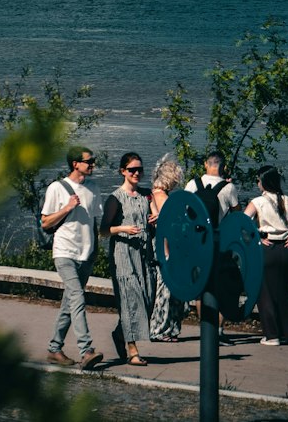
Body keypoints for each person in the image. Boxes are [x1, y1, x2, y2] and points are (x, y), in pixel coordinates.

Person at [41, 148, 103, 370]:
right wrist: (67, 207)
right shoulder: (57, 188)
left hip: (86, 254)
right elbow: (46, 223)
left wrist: (94, 251)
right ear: (75, 164)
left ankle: (54, 349)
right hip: (64, 252)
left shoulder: (94, 188)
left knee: (69, 303)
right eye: (89, 162)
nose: (93, 165)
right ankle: (86, 350)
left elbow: (94, 223)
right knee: (77, 297)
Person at [245, 165, 288, 346]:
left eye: (258, 180)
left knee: (265, 292)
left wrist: (258, 237)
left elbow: (243, 223)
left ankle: (272, 335)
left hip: (266, 248)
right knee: (285, 291)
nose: (257, 183)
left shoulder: (258, 202)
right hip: (285, 249)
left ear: (263, 182)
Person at [101, 152, 156, 365]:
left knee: (147, 299)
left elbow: (154, 218)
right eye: (132, 169)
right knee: (130, 300)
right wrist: (123, 229)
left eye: (139, 169)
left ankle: (120, 333)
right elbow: (104, 230)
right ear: (123, 171)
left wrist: (155, 219)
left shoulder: (146, 195)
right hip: (123, 256)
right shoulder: (115, 198)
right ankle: (133, 351)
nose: (136, 173)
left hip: (144, 255)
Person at [184, 149, 239, 332]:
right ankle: (219, 330)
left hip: (197, 241)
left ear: (206, 165)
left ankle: (205, 328)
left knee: (201, 287)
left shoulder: (193, 184)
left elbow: (184, 211)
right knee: (222, 285)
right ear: (223, 167)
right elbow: (237, 216)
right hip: (219, 242)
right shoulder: (228, 188)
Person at [148, 152, 186, 341]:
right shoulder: (161, 196)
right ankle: (162, 328)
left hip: (163, 247)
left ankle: (165, 328)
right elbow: (168, 226)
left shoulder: (153, 193)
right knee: (167, 290)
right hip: (167, 249)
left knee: (166, 289)